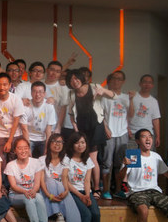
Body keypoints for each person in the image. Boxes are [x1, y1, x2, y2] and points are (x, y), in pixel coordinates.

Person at [66, 68, 115, 198]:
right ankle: (84, 186)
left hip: (95, 127)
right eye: (71, 80)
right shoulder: (71, 94)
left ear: (81, 78)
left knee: (92, 159)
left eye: (76, 78)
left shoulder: (94, 87)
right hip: (82, 128)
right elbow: (71, 114)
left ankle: (96, 188)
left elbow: (113, 95)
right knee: (82, 158)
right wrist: (76, 130)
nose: (74, 81)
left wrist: (103, 91)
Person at [5, 138, 53, 222]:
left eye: (26, 148)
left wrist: (34, 190)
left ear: (29, 149)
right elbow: (13, 186)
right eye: (20, 148)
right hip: (16, 195)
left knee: (39, 196)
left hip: (31, 193)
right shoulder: (11, 165)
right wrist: (25, 192)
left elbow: (37, 184)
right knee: (29, 199)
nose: (23, 151)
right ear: (15, 150)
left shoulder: (36, 162)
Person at [62, 132, 100, 222]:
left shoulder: (88, 159)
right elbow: (65, 180)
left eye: (83, 142)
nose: (80, 145)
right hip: (73, 192)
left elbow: (87, 180)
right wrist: (80, 195)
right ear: (72, 144)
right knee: (86, 214)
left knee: (96, 214)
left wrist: (87, 195)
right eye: (77, 143)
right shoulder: (67, 159)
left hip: (86, 191)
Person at [39, 134, 82, 222]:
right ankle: (58, 213)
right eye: (54, 141)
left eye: (60, 142)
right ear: (49, 144)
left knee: (58, 184)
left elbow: (64, 177)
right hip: (46, 191)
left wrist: (66, 191)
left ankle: (61, 215)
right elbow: (41, 181)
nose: (57, 144)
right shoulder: (41, 160)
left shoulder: (65, 159)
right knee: (50, 181)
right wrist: (49, 195)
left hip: (61, 190)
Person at [101, 71, 129, 199]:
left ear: (123, 81)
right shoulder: (104, 97)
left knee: (120, 164)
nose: (116, 81)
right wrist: (105, 128)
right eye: (114, 78)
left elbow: (131, 114)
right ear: (109, 80)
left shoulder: (126, 97)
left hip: (122, 133)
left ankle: (118, 190)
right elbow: (100, 115)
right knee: (106, 163)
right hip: (109, 133)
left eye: (119, 79)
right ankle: (106, 190)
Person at [24, 81, 57, 157]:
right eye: (35, 91)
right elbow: (24, 129)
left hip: (43, 138)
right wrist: (27, 148)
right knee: (27, 157)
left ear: (44, 94)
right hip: (29, 137)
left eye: (40, 92)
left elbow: (48, 129)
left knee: (47, 157)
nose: (37, 94)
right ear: (31, 93)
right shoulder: (26, 106)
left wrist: (47, 147)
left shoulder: (49, 106)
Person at [128, 74, 162, 147]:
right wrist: (127, 129)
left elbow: (155, 119)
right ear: (140, 84)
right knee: (132, 154)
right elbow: (126, 115)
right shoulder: (133, 97)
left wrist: (158, 136)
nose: (147, 84)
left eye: (149, 83)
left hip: (148, 134)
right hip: (132, 133)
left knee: (146, 154)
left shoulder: (154, 101)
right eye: (145, 82)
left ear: (152, 85)